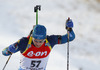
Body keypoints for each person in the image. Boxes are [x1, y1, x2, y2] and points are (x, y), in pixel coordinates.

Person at [2, 19, 75, 70]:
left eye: (41, 41)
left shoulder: (50, 41)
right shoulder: (24, 42)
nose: (38, 43)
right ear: (32, 37)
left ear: (45, 38)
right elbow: (4, 52)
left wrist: (69, 29)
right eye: (35, 40)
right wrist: (9, 50)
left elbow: (70, 37)